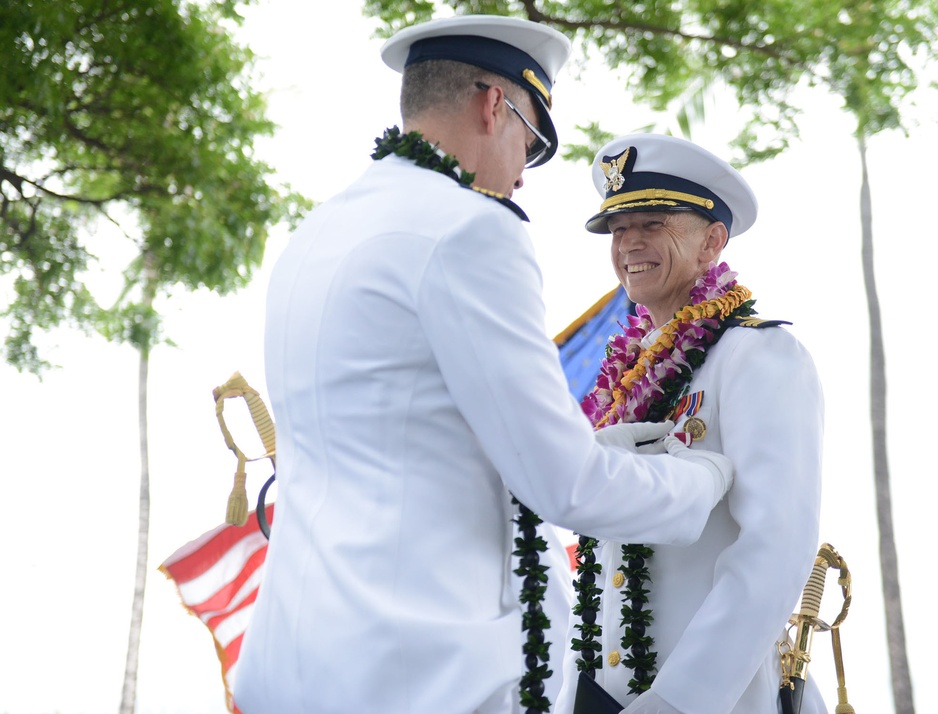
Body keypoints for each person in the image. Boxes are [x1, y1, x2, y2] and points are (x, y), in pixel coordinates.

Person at [233, 17, 739, 714]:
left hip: (294, 666)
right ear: (493, 107)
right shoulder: (471, 229)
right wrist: (700, 479)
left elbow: (416, 432)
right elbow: (567, 486)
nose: (522, 178)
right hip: (423, 677)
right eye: (529, 146)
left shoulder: (315, 233)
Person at [553, 134, 826, 714]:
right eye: (617, 228)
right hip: (601, 692)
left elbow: (776, 547)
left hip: (715, 696)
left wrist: (680, 701)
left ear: (713, 241)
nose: (629, 243)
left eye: (651, 223)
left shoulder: (758, 355)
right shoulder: (624, 368)